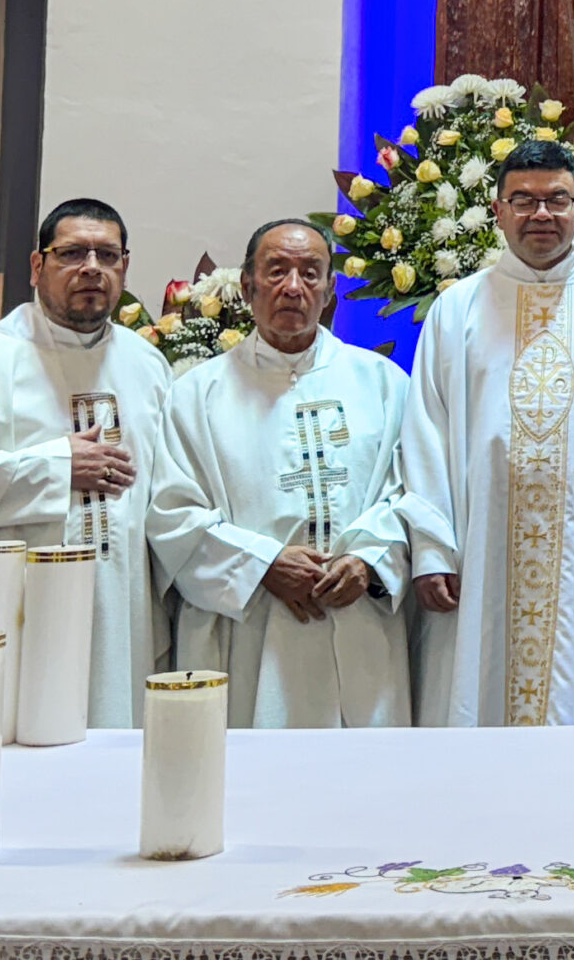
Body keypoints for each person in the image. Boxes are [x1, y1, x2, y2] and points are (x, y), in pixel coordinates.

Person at [399, 139, 574, 726]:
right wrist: (430, 548)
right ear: (498, 211)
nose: (541, 215)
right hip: (480, 547)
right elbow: (426, 429)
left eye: (556, 200)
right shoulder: (458, 308)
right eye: (523, 201)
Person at [0, 198, 170, 728]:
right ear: (36, 266)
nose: (91, 268)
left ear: (124, 267)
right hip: (10, 615)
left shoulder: (149, 367)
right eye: (72, 253)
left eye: (107, 255)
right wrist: (54, 466)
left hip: (120, 616)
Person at [146, 220, 412, 727]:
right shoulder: (197, 395)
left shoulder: (382, 383)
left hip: (359, 621)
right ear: (248, 286)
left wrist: (369, 560)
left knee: (366, 771)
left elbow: (409, 493)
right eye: (276, 271)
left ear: (330, 291)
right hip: (254, 631)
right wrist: (261, 564)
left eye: (310, 273)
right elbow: (172, 515)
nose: (294, 287)